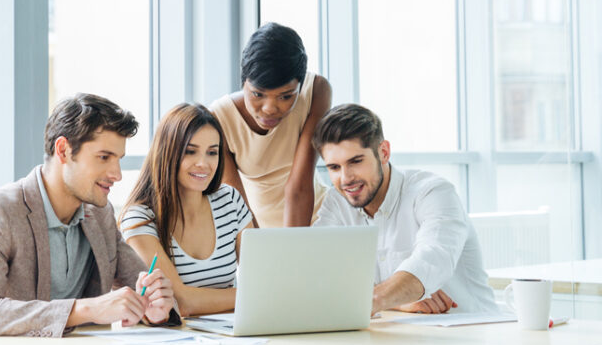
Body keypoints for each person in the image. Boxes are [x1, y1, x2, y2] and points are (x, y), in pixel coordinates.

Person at [0, 94, 179, 340]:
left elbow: (142, 286)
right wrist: (84, 309)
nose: (117, 174)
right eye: (104, 157)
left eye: (118, 159)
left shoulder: (100, 214)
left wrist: (156, 310)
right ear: (63, 150)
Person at [311, 104, 498, 314]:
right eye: (334, 167)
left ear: (383, 153)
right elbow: (321, 274)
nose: (345, 179)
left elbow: (432, 259)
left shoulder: (433, 192)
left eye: (355, 161)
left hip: (474, 332)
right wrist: (395, 300)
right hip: (404, 337)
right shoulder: (337, 203)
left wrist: (373, 299)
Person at [118, 103, 253, 317]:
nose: (203, 163)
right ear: (167, 152)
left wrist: (258, 294)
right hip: (176, 339)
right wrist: (250, 296)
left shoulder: (230, 200)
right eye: (190, 151)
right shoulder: (139, 219)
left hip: (233, 332)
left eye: (212, 152)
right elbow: (181, 301)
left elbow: (262, 281)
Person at [210, 22, 332, 228]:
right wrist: (261, 249)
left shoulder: (316, 91)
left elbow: (299, 185)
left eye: (285, 96)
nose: (270, 108)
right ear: (243, 83)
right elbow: (236, 204)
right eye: (257, 94)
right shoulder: (219, 118)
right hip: (260, 229)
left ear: (300, 88)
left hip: (323, 219)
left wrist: (292, 246)